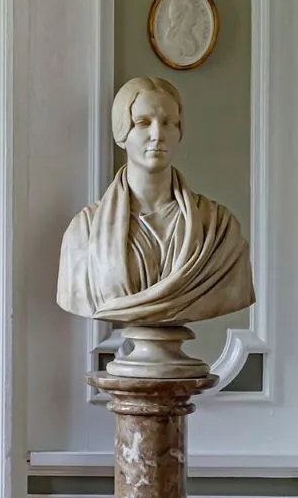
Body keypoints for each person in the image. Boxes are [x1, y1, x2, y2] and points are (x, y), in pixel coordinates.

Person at [57, 75, 252, 324]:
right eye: (142, 122)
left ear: (180, 131)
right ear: (122, 132)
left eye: (168, 122)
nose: (157, 134)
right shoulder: (83, 232)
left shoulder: (220, 228)